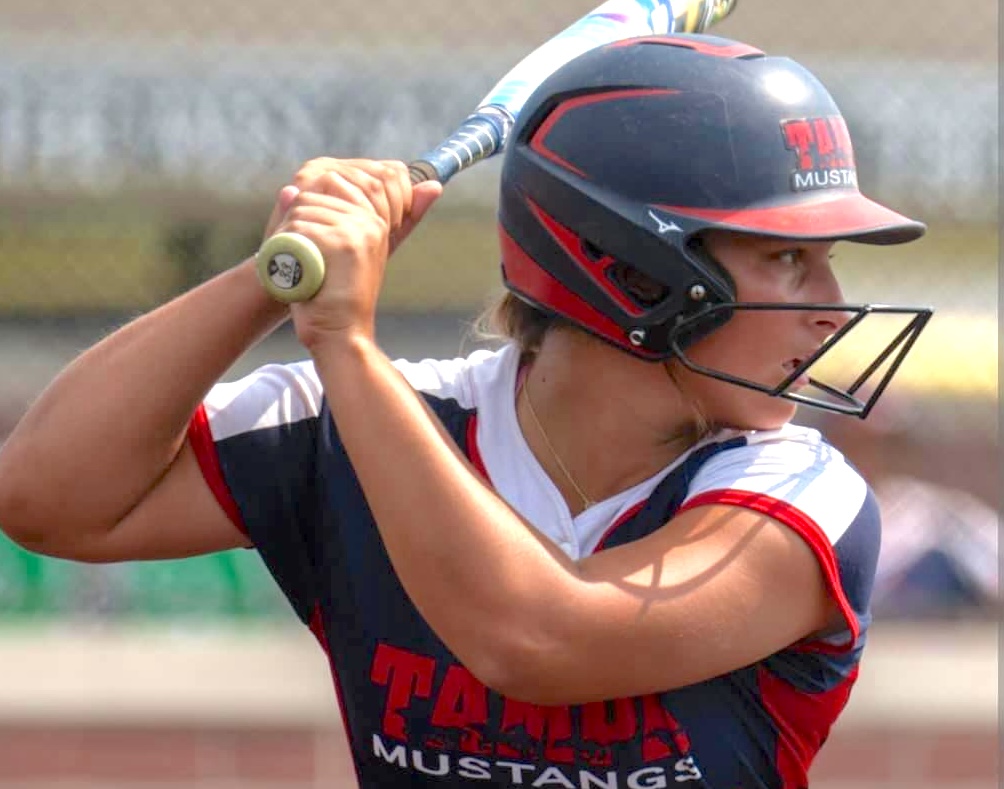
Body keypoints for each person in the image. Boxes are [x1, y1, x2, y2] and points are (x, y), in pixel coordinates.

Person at [0, 34, 934, 788]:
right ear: (636, 271)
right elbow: (48, 496)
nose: (831, 303)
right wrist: (276, 270)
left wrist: (345, 345)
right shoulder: (367, 419)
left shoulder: (802, 493)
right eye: (785, 257)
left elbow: (536, 641)